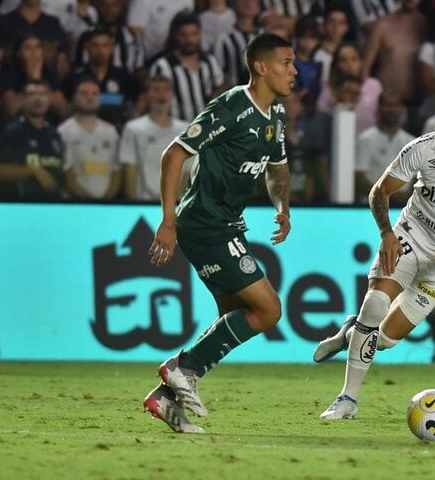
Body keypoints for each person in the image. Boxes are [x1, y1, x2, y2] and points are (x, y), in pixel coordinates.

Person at [313, 77, 435, 420]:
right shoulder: (425, 146)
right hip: (410, 237)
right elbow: (380, 191)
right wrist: (386, 234)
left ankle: (350, 332)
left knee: (386, 340)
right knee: (375, 303)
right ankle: (347, 400)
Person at [142, 33, 296, 433]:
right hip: (205, 222)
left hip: (227, 222)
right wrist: (168, 220)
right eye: (286, 62)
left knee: (236, 315)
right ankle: (181, 368)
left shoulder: (276, 114)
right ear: (261, 67)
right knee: (268, 310)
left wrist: (283, 207)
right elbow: (174, 154)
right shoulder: (232, 107)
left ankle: (166, 401)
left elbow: (278, 167)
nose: (294, 71)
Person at [0, 79, 66, 200]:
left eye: (42, 94)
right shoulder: (12, 132)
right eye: (32, 94)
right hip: (22, 203)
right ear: (23, 100)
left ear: (49, 99)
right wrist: (33, 171)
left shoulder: (55, 134)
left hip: (53, 205)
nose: (38, 99)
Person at [121, 76, 189, 201]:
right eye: (156, 90)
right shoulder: (133, 128)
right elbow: (130, 169)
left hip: (174, 204)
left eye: (166, 90)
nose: (161, 94)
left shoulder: (184, 130)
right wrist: (131, 202)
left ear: (172, 96)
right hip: (142, 201)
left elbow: (187, 172)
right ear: (147, 95)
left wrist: (174, 202)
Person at [59, 77, 121, 200]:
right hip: (75, 203)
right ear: (75, 98)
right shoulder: (63, 131)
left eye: (94, 93)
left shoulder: (111, 131)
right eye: (84, 93)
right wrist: (88, 201)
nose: (90, 97)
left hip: (107, 203)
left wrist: (107, 199)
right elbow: (66, 173)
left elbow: (116, 171)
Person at [355, 91, 415, 205]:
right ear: (379, 108)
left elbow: (418, 179)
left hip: (403, 208)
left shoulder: (411, 141)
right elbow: (358, 179)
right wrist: (383, 195)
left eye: (395, 105)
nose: (391, 110)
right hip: (370, 205)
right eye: (387, 105)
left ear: (401, 109)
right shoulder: (366, 139)